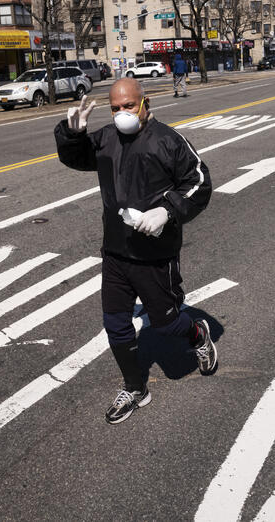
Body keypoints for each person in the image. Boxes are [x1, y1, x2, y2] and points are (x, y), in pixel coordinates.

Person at [54, 78, 215, 424]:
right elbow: (79, 158)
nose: (122, 113)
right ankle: (135, 387)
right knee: (114, 322)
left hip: (155, 254)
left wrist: (167, 210)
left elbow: (200, 181)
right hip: (115, 251)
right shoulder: (107, 139)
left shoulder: (168, 141)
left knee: (167, 323)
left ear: (144, 104)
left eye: (128, 106)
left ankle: (197, 334)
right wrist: (72, 134)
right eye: (115, 108)